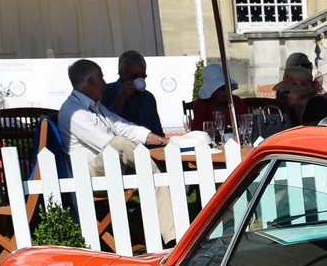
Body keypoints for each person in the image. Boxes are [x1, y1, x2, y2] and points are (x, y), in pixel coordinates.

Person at [58, 59, 175, 247]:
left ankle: (168, 233)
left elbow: (123, 126)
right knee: (122, 146)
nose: (105, 83)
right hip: (89, 175)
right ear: (91, 82)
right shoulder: (73, 111)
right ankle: (172, 239)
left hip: (110, 166)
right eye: (101, 78)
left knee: (125, 144)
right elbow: (107, 143)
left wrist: (162, 140)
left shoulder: (95, 106)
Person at [101, 50, 163, 137]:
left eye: (143, 76)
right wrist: (120, 99)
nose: (139, 80)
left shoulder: (148, 98)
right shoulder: (105, 92)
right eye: (133, 76)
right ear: (121, 73)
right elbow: (104, 127)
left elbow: (157, 132)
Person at [276, 53, 327, 126]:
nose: (308, 68)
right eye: (304, 66)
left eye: (310, 65)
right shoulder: (282, 97)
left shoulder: (317, 103)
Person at [188, 62, 248, 132]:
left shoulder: (237, 102)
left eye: (227, 87)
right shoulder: (201, 104)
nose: (225, 91)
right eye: (220, 88)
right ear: (211, 90)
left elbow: (245, 126)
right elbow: (196, 131)